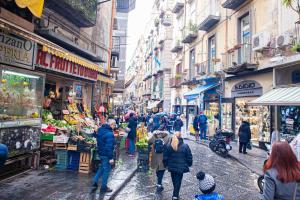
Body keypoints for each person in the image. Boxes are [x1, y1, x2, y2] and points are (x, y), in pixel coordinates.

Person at [163, 132, 193, 200]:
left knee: (174, 180)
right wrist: (189, 163)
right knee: (178, 181)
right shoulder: (185, 146)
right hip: (181, 167)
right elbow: (189, 156)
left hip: (172, 167)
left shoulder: (169, 146)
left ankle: (175, 194)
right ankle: (175, 196)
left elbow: (165, 157)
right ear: (180, 137)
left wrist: (166, 165)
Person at [92, 119, 116, 193]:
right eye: (114, 125)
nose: (114, 126)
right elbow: (109, 147)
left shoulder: (101, 130)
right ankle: (104, 187)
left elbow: (95, 135)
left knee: (102, 167)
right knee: (106, 170)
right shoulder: (109, 134)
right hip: (106, 154)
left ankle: (94, 180)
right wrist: (111, 158)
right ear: (111, 125)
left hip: (101, 153)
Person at [148, 126, 171, 192]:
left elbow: (149, 141)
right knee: (162, 170)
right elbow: (169, 146)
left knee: (157, 169)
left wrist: (153, 135)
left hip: (155, 156)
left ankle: (159, 182)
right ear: (164, 129)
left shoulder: (155, 136)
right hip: (163, 156)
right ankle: (159, 184)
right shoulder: (167, 136)